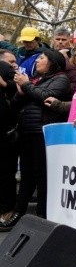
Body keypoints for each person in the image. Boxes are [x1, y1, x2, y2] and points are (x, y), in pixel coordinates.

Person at [0, 49, 71, 230]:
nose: (37, 61)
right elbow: (15, 105)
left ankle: (42, 214)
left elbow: (45, 97)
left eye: (41, 58)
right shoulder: (34, 80)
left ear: (52, 62)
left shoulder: (61, 79)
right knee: (26, 175)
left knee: (41, 175)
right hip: (27, 132)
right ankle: (18, 212)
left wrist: (26, 86)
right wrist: (21, 93)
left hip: (44, 133)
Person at [0, 51, 19, 224]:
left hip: (6, 132)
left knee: (6, 173)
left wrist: (4, 84)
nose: (14, 65)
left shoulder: (4, 68)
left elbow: (18, 88)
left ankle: (7, 210)